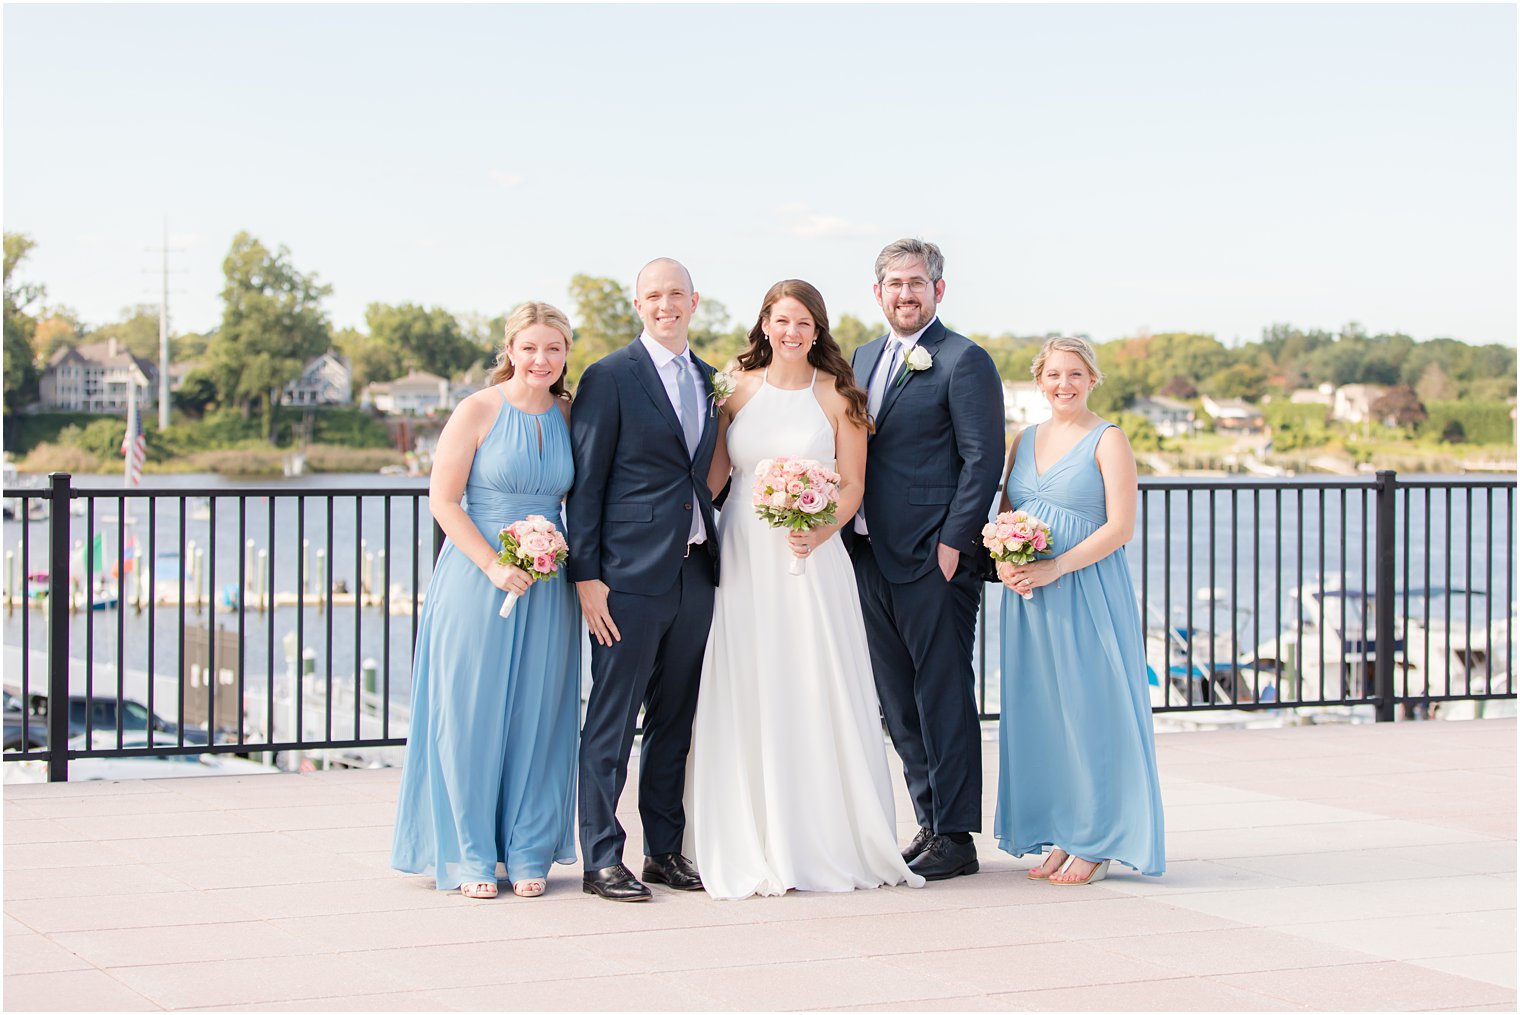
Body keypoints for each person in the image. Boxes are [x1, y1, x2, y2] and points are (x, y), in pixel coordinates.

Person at [685, 280, 925, 899]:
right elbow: (713, 476)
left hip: (813, 559)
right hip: (743, 555)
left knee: (814, 680)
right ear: (764, 324)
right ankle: (750, 834)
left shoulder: (840, 396)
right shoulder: (733, 390)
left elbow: (852, 485)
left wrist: (819, 530)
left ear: (817, 331)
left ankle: (824, 837)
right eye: (780, 320)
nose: (791, 332)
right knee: (751, 679)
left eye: (803, 323)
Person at [391, 301, 580, 900]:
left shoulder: (571, 415)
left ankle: (528, 849)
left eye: (553, 348)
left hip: (549, 584)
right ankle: (469, 851)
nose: (541, 359)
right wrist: (495, 565)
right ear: (510, 350)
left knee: (539, 716)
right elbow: (444, 501)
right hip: (478, 578)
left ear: (567, 353)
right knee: (469, 713)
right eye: (530, 348)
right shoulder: (476, 409)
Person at [846, 238, 1005, 881]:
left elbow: (982, 460)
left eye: (917, 282)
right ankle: (929, 820)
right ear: (877, 293)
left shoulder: (965, 360)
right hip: (867, 553)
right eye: (894, 283)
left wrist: (952, 542)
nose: (905, 294)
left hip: (934, 558)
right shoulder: (860, 358)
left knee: (941, 694)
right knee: (897, 700)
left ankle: (958, 836)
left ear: (939, 290)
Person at [566, 257, 720, 903]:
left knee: (674, 721)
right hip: (626, 577)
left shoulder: (714, 379)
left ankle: (663, 850)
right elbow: (587, 482)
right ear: (638, 304)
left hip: (696, 572)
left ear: (694, 300)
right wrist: (587, 576)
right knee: (611, 719)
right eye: (654, 295)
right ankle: (602, 857)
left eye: (676, 294)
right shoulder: (610, 376)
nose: (666, 305)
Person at [993, 336, 1166, 884]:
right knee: (1044, 715)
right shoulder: (1021, 440)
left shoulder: (1108, 439)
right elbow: (1002, 512)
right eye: (1052, 375)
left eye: (1075, 374)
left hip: (1085, 589)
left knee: (1092, 713)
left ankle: (1098, 836)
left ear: (1092, 379)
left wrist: (1056, 566)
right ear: (1039, 381)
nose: (1063, 384)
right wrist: (1005, 563)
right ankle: (1063, 830)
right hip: (1029, 597)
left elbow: (1121, 528)